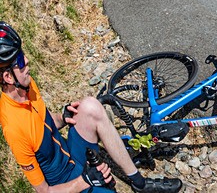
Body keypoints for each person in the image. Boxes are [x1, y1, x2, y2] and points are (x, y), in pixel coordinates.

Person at [0, 21, 182, 193]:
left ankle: (140, 183)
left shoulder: (27, 85)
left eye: (23, 54)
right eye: (21, 62)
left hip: (73, 157)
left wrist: (62, 118)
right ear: (9, 77)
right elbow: (45, 191)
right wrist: (84, 181)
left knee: (90, 106)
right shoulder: (14, 128)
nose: (27, 61)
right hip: (65, 184)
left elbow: (43, 128)